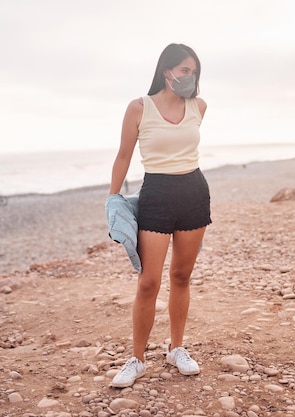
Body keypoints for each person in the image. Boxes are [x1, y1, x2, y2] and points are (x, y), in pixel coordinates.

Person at [107, 43, 210, 388]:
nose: (190, 77)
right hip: (156, 196)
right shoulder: (139, 108)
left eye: (193, 71)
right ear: (166, 71)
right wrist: (112, 199)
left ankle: (176, 349)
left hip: (194, 194)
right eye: (184, 70)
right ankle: (136, 359)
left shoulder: (199, 106)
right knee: (148, 281)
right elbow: (123, 156)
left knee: (181, 277)